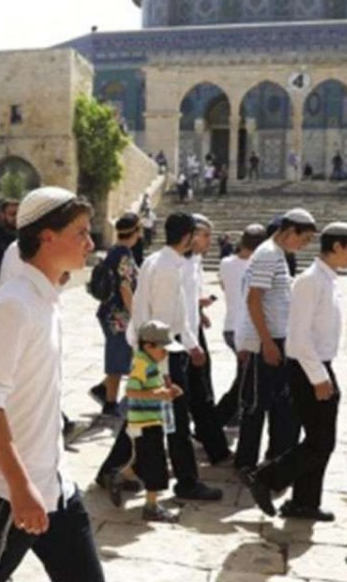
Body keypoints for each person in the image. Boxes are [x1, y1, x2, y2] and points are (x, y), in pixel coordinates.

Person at [0, 187, 105, 582]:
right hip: (10, 494)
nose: (90, 243)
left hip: (55, 484)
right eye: (81, 232)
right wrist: (20, 488)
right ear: (47, 236)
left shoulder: (46, 300)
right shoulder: (13, 305)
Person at [242, 223, 347, 522]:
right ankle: (266, 478)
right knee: (321, 442)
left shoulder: (327, 280)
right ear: (336, 247)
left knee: (318, 440)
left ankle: (304, 503)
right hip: (310, 368)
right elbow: (298, 337)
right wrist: (318, 377)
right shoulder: (310, 282)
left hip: (320, 365)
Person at [127, 211, 223, 502]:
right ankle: (186, 481)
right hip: (162, 352)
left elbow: (181, 313)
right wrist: (165, 367)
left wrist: (193, 344)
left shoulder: (160, 260)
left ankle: (117, 469)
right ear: (187, 236)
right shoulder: (169, 269)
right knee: (177, 421)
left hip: (156, 349)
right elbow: (166, 322)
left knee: (149, 414)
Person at [234, 209, 316, 471]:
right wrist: (266, 342)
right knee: (256, 404)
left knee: (276, 403)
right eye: (303, 240)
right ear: (290, 232)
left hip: (276, 339)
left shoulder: (277, 255)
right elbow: (254, 299)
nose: (302, 246)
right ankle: (247, 463)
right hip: (267, 341)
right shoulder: (269, 254)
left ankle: (272, 458)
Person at [107, 320, 185, 523]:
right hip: (144, 422)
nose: (166, 354)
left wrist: (167, 389)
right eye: (163, 349)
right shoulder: (142, 363)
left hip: (151, 420)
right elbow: (131, 390)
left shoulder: (150, 362)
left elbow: (152, 386)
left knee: (145, 461)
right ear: (149, 346)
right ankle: (151, 506)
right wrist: (159, 393)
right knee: (155, 463)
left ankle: (118, 476)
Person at [182, 215, 232, 465]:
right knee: (195, 391)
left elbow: (189, 296)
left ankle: (213, 443)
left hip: (192, 329)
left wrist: (199, 312)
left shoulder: (195, 261)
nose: (210, 241)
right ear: (192, 235)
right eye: (206, 235)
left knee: (200, 389)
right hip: (181, 335)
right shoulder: (174, 263)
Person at [89, 213, 140, 417]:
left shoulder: (114, 251)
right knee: (117, 356)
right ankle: (109, 403)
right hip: (118, 314)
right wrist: (135, 315)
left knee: (123, 355)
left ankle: (103, 389)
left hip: (109, 311)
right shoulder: (124, 255)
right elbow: (125, 288)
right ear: (135, 231)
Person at [215, 225, 267, 425]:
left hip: (230, 325)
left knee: (244, 375)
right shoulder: (257, 267)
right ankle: (220, 418)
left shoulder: (226, 263)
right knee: (244, 378)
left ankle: (230, 414)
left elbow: (224, 286)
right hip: (247, 328)